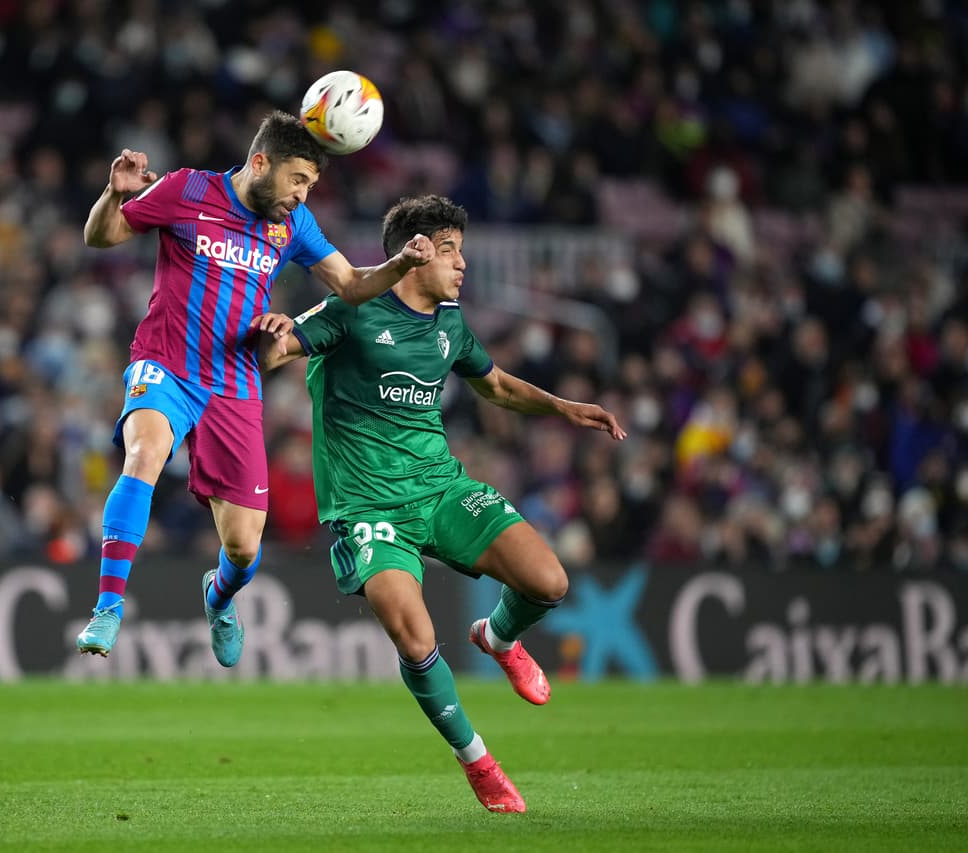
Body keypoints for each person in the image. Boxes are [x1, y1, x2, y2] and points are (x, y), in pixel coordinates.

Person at [258, 195, 626, 813]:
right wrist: (270, 330)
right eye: (450, 249)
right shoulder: (353, 309)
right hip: (368, 507)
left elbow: (498, 386)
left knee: (549, 581)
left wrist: (563, 408)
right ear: (416, 251)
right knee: (414, 633)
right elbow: (279, 350)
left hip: (441, 490)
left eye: (462, 248)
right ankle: (478, 761)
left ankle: (499, 638)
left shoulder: (449, 323)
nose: (463, 263)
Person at [75, 111, 434, 667]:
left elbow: (352, 285)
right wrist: (112, 193)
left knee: (242, 547)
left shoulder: (293, 226)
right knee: (143, 454)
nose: (302, 194)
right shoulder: (187, 189)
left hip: (234, 384)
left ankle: (218, 597)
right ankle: (107, 606)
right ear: (260, 162)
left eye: (310, 185)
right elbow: (101, 236)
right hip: (165, 364)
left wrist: (399, 263)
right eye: (297, 180)